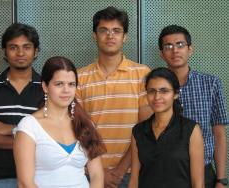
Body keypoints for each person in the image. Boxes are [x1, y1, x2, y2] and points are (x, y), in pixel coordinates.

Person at [76, 6, 152, 188]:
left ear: (125, 36)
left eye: (116, 31)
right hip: (88, 172)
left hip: (131, 173)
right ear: (95, 35)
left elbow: (146, 129)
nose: (110, 36)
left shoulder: (143, 74)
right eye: (104, 30)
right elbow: (77, 129)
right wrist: (97, 170)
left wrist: (119, 171)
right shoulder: (78, 77)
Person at [13, 56, 106, 188]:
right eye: (59, 84)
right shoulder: (29, 126)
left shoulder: (85, 123)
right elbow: (25, 183)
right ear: (45, 86)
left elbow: (97, 175)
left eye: (71, 84)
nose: (66, 90)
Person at [158, 25, 229, 188]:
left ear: (190, 49)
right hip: (165, 174)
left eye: (180, 45)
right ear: (162, 54)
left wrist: (221, 179)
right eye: (168, 46)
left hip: (204, 173)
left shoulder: (211, 84)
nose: (175, 50)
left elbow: (218, 134)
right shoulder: (155, 87)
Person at [0, 23, 43, 188]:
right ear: (5, 52)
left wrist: (7, 129)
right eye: (13, 47)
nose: (20, 53)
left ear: (36, 51)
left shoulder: (47, 87)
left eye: (26, 47)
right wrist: (28, 140)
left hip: (39, 177)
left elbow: (51, 134)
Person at [129, 67, 204, 188]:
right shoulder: (138, 131)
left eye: (164, 91)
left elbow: (198, 183)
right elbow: (134, 180)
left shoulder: (191, 130)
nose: (157, 97)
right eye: (152, 91)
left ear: (175, 94)